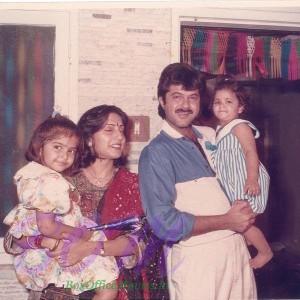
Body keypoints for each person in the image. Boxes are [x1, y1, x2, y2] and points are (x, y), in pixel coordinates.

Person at [4, 105, 169, 300]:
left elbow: (142, 242)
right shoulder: (59, 183)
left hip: (112, 287)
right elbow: (15, 235)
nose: (119, 137)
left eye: (122, 130)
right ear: (89, 139)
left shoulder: (136, 186)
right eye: (109, 130)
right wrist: (44, 242)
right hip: (56, 290)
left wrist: (90, 247)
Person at [138, 63, 257, 300]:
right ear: (162, 101)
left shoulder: (213, 135)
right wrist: (227, 220)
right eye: (176, 97)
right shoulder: (156, 153)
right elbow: (164, 223)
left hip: (237, 251)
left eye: (192, 97)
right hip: (197, 261)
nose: (185, 105)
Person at [3, 115, 119, 300]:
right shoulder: (50, 181)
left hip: (52, 258)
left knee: (106, 288)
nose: (64, 156)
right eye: (57, 147)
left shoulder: (33, 175)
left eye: (71, 151)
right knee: (108, 289)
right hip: (57, 257)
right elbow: (43, 228)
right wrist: (78, 233)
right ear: (39, 148)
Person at [211, 75, 273, 269]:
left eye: (228, 101)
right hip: (232, 183)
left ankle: (265, 252)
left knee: (245, 224)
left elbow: (250, 153)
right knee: (238, 223)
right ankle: (247, 244)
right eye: (217, 102)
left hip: (245, 182)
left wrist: (252, 178)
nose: (222, 106)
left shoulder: (240, 126)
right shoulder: (219, 130)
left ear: (240, 108)